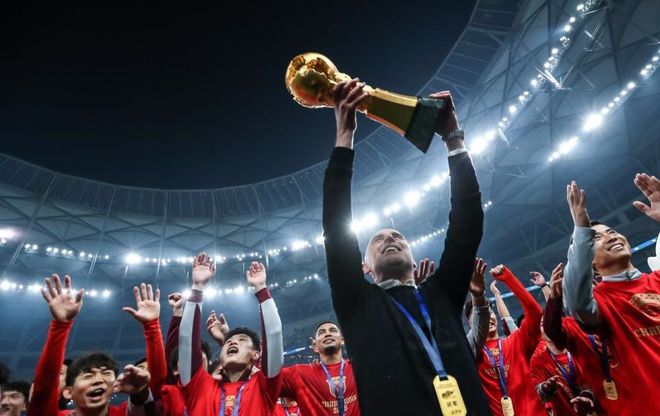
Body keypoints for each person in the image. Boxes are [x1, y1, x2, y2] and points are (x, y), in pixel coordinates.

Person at [322, 79, 490, 414]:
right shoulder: (357, 302)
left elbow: (467, 223)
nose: (390, 239)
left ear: (414, 261)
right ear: (365, 267)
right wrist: (344, 136)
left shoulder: (442, 292)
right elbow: (336, 230)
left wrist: (453, 138)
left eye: (398, 237)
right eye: (378, 240)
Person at [561, 175, 660, 415]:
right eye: (596, 238)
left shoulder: (657, 279)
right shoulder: (601, 302)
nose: (611, 236)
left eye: (612, 231)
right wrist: (581, 231)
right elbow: (576, 303)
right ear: (590, 262)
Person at [27, 273, 153, 416]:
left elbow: (141, 406)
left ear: (115, 386)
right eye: (87, 376)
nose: (98, 380)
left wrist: (139, 393)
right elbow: (44, 389)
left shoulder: (124, 413)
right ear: (68, 392)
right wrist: (60, 325)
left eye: (107, 373)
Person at [178, 254, 284, 415]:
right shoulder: (199, 387)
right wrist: (197, 288)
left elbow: (274, 334)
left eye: (242, 340)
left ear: (256, 355)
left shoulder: (264, 387)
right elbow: (186, 340)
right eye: (228, 342)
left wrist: (261, 289)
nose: (233, 342)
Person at [543, 263, 628, 415]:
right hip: (608, 407)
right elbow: (552, 330)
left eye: (586, 286)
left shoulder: (617, 310)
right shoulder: (571, 326)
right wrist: (554, 298)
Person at [476, 265, 544, 416]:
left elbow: (535, 312)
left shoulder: (516, 341)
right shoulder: (472, 355)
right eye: (481, 315)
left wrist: (509, 279)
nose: (488, 317)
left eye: (490, 312)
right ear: (471, 323)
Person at [281, 321, 359, 415]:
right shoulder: (300, 374)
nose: (328, 334)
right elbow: (268, 380)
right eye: (322, 332)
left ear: (342, 340)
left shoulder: (357, 368)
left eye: (333, 330)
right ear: (315, 346)